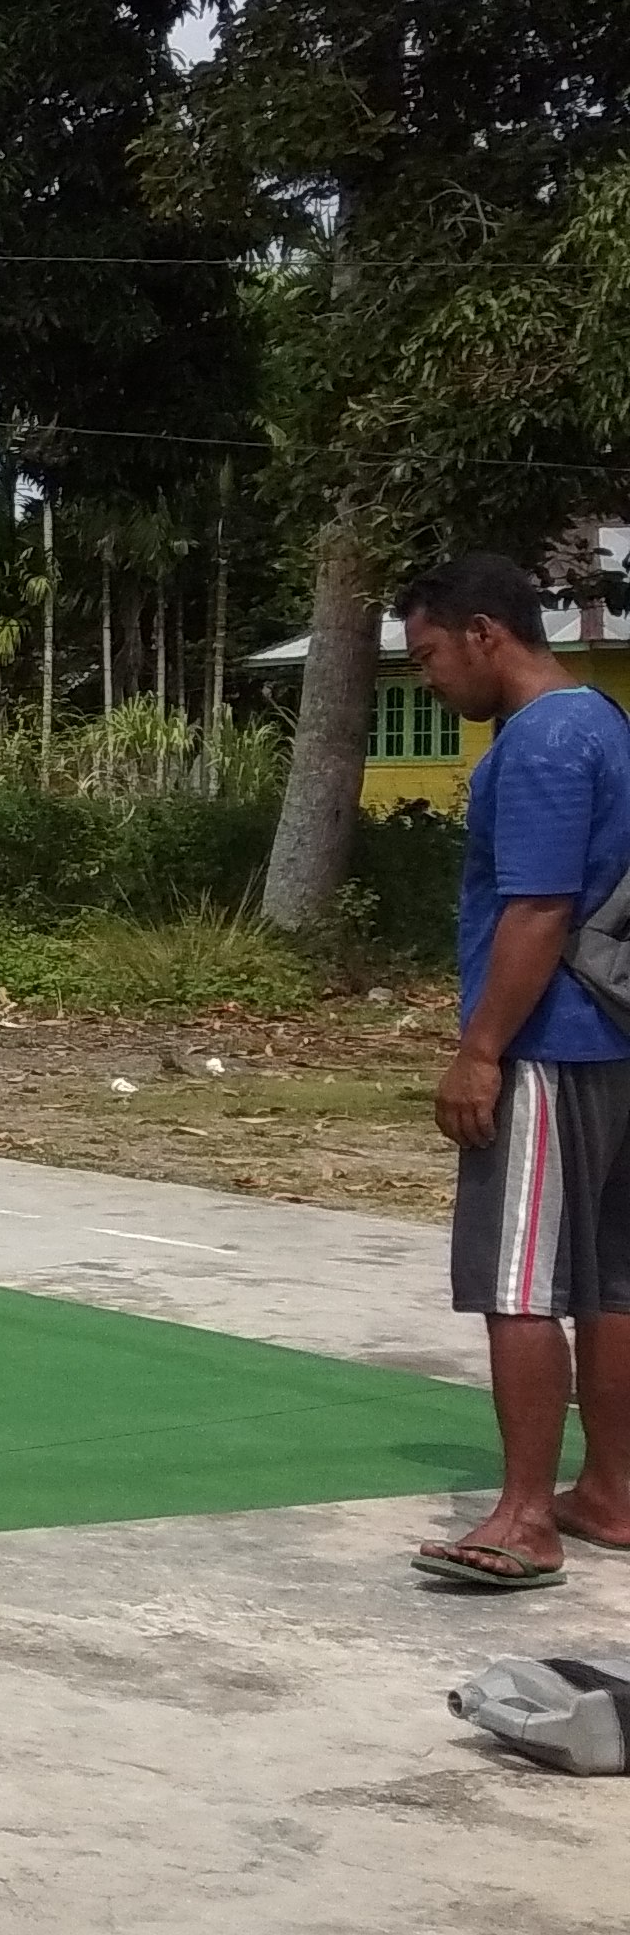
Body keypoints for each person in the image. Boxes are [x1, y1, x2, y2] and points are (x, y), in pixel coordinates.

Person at [391, 551, 630, 1592]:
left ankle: (524, 1516)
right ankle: (610, 1491)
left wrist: (477, 1049)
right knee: (611, 1280)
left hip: (547, 1044)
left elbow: (535, 908)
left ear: (484, 633)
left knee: (520, 1281)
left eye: (431, 655)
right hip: (616, 1040)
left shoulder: (536, 745)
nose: (428, 680)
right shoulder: (605, 724)